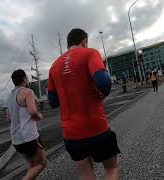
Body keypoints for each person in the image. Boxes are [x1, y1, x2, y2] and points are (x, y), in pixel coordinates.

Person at [47, 28, 120, 180]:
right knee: (111, 168)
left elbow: (52, 101)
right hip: (96, 128)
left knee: (86, 175)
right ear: (84, 41)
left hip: (72, 135)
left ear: (68, 45)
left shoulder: (54, 66)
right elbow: (104, 82)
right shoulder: (90, 53)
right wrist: (102, 92)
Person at [7, 69, 47, 180]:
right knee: (42, 162)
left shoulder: (9, 97)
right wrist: (39, 116)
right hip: (29, 138)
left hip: (16, 140)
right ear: (24, 79)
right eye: (27, 78)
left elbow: (8, 118)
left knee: (32, 165)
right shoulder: (28, 92)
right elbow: (33, 112)